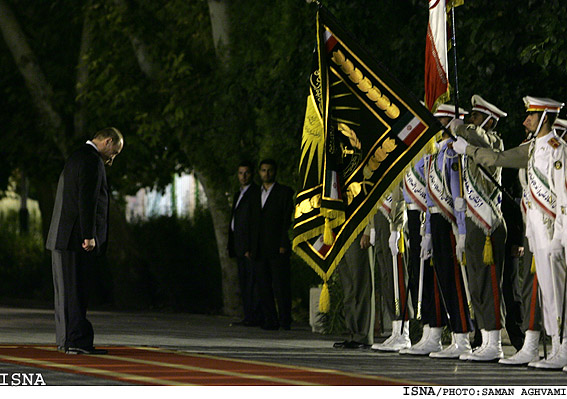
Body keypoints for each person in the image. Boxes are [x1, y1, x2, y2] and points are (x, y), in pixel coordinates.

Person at [454, 96, 564, 368]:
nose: (525, 120)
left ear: (544, 118)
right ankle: (543, 346)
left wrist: (560, 236)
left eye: (531, 116)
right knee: (538, 289)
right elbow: (498, 159)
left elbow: (563, 197)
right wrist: (468, 150)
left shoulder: (556, 149)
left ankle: (561, 346)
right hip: (534, 229)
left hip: (552, 230)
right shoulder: (532, 148)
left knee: (556, 290)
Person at [46, 127, 124, 355]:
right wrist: (89, 235)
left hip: (64, 235)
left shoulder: (76, 156)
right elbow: (87, 200)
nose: (113, 157)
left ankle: (67, 340)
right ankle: (77, 340)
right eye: (115, 152)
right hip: (76, 238)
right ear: (108, 141)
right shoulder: (91, 161)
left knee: (66, 291)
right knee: (76, 290)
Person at [451, 95, 508, 362]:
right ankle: (485, 338)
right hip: (473, 222)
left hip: (488, 223)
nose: (469, 120)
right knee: (476, 281)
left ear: (487, 120)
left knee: (489, 282)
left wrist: (460, 126)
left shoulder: (493, 141)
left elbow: (478, 138)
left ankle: (495, 340)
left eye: (474, 116)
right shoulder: (471, 142)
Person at [423, 105, 474, 359]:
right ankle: (454, 336)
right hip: (436, 221)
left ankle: (463, 337)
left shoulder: (453, 152)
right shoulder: (435, 152)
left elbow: (458, 195)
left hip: (451, 221)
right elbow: (430, 199)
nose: (436, 123)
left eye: (440, 119)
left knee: (455, 279)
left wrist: (462, 230)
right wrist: (428, 233)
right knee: (443, 276)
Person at [249, 159, 294, 330]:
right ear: (259, 172)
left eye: (269, 170)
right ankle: (270, 319)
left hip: (277, 246)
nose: (266, 173)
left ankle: (284, 320)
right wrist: (249, 247)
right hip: (259, 248)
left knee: (281, 285)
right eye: (263, 170)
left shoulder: (284, 192)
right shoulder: (254, 194)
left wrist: (284, 243)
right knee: (263, 285)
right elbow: (251, 221)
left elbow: (286, 220)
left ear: (274, 172)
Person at [228, 161, 262, 327]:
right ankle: (248, 315)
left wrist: (250, 246)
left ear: (252, 174)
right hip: (239, 245)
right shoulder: (238, 194)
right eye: (240, 173)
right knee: (244, 281)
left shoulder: (255, 193)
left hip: (247, 247)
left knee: (252, 282)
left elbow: (254, 222)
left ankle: (254, 316)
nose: (243, 176)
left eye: (246, 173)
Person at [333, 220, 375, 349]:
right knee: (348, 287)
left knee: (361, 284)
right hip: (340, 229)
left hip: (357, 227)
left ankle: (363, 335)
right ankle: (353, 333)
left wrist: (368, 230)